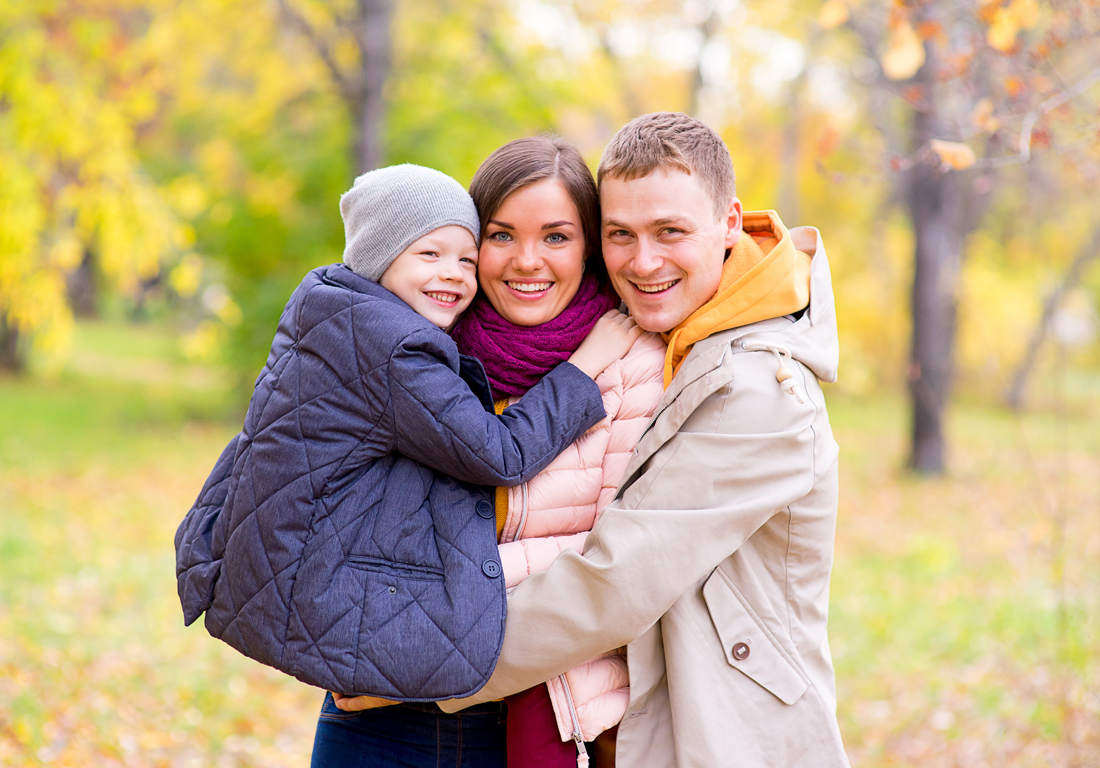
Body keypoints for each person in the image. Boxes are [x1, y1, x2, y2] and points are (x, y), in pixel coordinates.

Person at [340, 112, 850, 767]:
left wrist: (413, 659)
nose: (643, 261)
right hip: (640, 715)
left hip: (728, 732)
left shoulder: (759, 388)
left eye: (670, 231)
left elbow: (615, 580)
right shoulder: (672, 339)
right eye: (621, 235)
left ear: (729, 223)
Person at [174, 163, 642, 767]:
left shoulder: (340, 313)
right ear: (380, 255)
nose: (453, 273)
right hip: (379, 687)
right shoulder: (403, 346)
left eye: (463, 259)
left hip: (529, 703)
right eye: (432, 253)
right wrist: (582, 372)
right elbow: (498, 453)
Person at [318, 137, 667, 768]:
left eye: (556, 237)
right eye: (502, 235)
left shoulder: (633, 366)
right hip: (378, 708)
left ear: (588, 245)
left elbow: (619, 560)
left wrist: (424, 614)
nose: (527, 261)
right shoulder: (422, 347)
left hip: (541, 711)